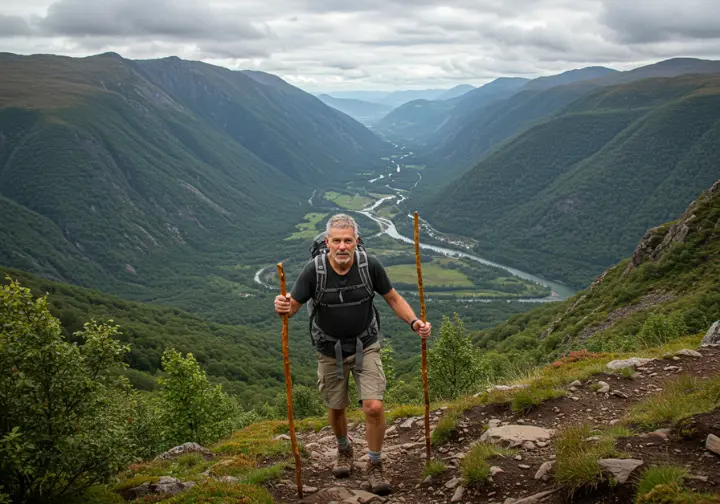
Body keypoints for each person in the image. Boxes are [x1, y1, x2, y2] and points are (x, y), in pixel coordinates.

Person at [274, 213, 432, 496]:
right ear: (328, 242)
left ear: (356, 241)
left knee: (373, 406)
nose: (343, 246)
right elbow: (294, 305)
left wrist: (414, 322)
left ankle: (374, 463)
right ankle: (344, 449)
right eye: (337, 241)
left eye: (348, 240)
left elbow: (393, 298)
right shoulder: (314, 270)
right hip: (328, 349)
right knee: (336, 407)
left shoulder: (369, 266)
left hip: (366, 343)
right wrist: (283, 306)